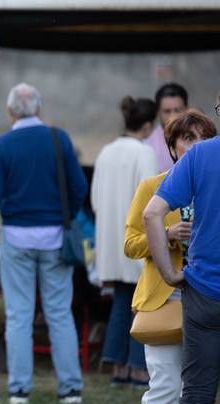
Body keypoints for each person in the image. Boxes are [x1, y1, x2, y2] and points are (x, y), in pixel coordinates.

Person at [0, 82, 87, 404]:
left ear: (10, 111)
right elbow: (79, 186)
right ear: (39, 108)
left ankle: (19, 389)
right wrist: (65, 217)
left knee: (19, 314)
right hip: (55, 237)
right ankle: (70, 389)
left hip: (16, 237)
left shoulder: (2, 146)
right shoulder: (58, 138)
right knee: (59, 312)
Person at [127, 110, 216, 404]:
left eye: (204, 138)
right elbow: (131, 244)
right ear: (172, 147)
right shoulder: (152, 187)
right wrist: (166, 235)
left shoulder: (212, 180)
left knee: (194, 390)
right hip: (168, 296)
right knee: (165, 386)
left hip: (206, 294)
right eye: (188, 138)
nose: (196, 145)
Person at [91, 96, 158, 387]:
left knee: (121, 299)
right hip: (136, 238)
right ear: (148, 126)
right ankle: (138, 367)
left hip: (110, 239)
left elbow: (95, 199)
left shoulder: (106, 151)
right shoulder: (144, 152)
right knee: (142, 304)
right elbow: (150, 200)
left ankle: (117, 365)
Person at [145, 83, 188, 173]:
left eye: (178, 110)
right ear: (158, 112)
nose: (173, 116)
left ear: (187, 109)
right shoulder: (148, 146)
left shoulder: (200, 140)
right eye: (167, 111)